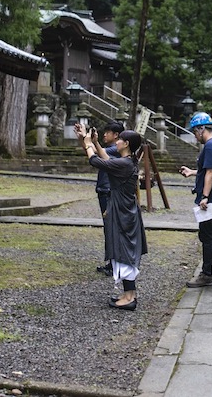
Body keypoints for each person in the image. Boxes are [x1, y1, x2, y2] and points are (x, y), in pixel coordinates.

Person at [75, 121, 147, 311]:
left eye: (120, 140)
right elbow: (107, 161)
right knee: (122, 250)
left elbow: (96, 162)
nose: (117, 142)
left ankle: (130, 297)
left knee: (124, 251)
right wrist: (96, 144)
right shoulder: (127, 161)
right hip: (123, 209)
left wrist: (88, 142)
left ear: (126, 144)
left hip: (123, 212)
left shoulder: (124, 163)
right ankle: (127, 294)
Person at [179, 112, 212, 287]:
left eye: (195, 132)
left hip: (211, 199)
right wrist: (193, 172)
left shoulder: (209, 146)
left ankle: (206, 273)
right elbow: (211, 169)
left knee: (207, 236)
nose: (194, 136)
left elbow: (211, 172)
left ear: (202, 129)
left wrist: (205, 196)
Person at [95, 122, 124, 276]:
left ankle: (115, 264)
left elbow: (96, 153)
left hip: (108, 192)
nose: (104, 135)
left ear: (116, 135)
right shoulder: (113, 149)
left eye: (108, 132)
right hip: (104, 190)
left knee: (112, 228)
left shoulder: (116, 150)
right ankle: (111, 262)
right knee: (109, 228)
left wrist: (90, 142)